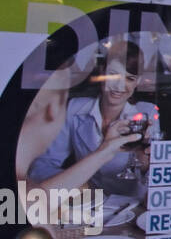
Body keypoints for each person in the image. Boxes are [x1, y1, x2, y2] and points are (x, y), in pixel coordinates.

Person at [27, 40, 159, 200]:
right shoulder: (75, 108)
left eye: (130, 78)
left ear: (138, 81)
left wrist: (144, 163)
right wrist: (76, 185)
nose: (119, 86)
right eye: (113, 75)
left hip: (131, 205)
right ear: (102, 72)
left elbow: (155, 176)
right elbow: (43, 165)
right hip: (86, 203)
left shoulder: (146, 113)